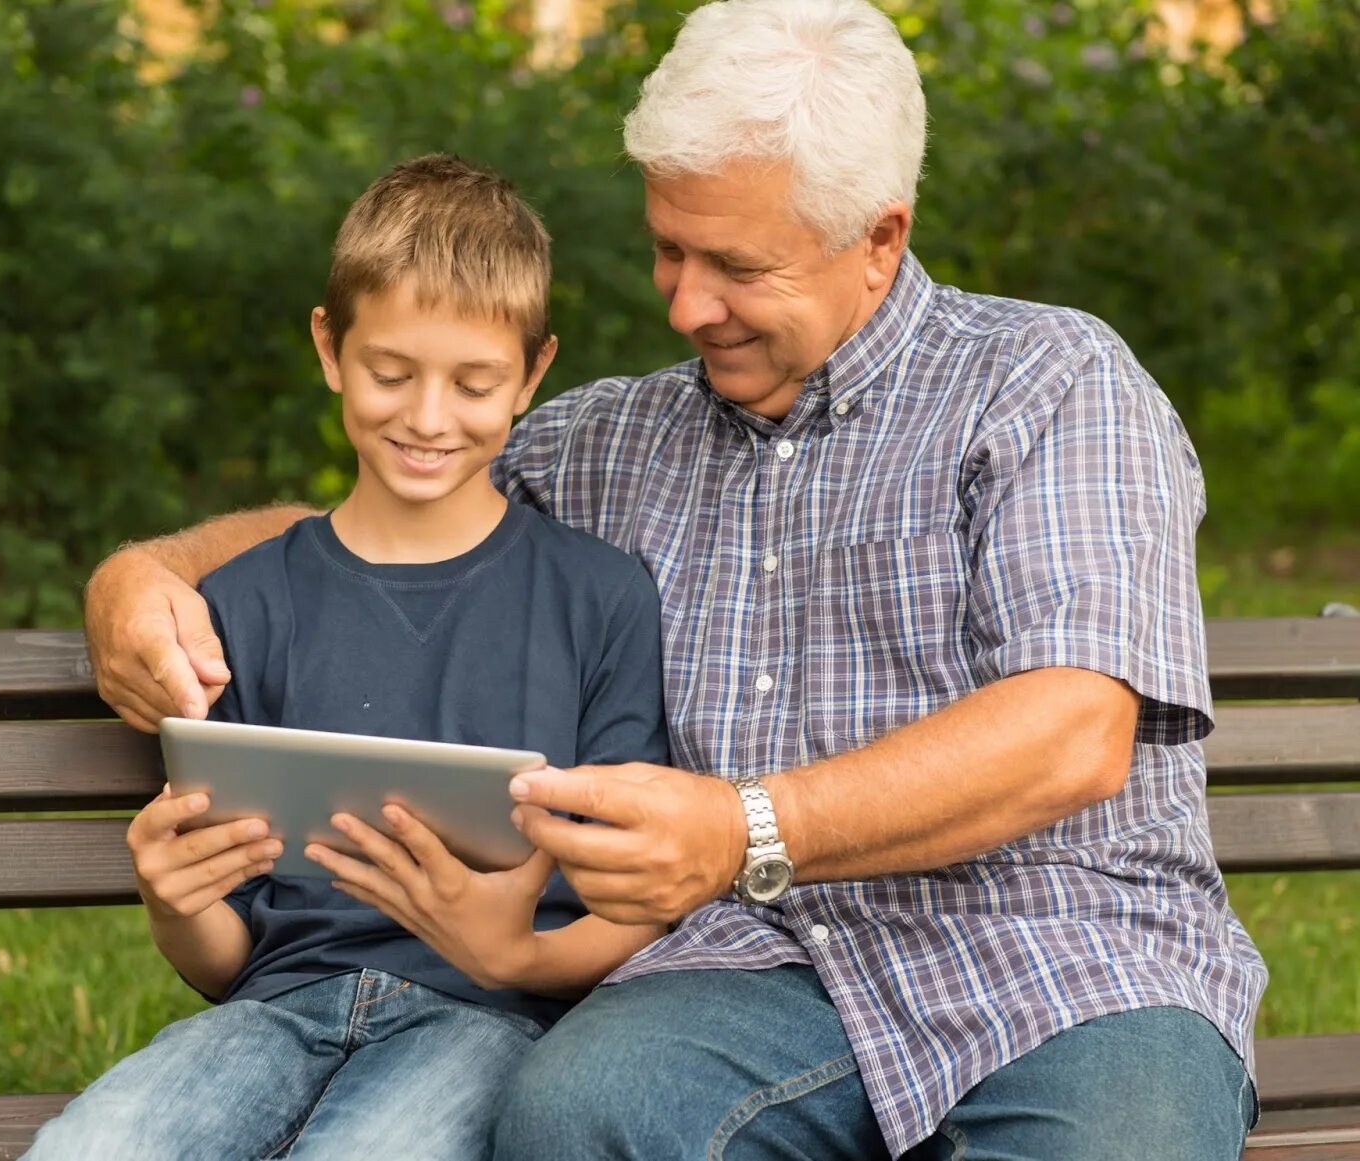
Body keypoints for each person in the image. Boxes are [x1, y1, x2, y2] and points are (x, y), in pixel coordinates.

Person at [82, 1, 1267, 1157]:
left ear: (880, 239)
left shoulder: (1047, 382)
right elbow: (377, 517)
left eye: (737, 266)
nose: (685, 304)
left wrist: (746, 826)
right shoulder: (612, 440)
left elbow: (1074, 731)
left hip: (1061, 960)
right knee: (578, 1114)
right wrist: (144, 576)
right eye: (668, 248)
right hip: (744, 973)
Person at [25, 154, 668, 1161]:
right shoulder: (243, 604)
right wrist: (173, 900)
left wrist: (524, 952)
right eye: (391, 371)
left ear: (534, 372)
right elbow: (226, 956)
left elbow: (631, 898)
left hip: (487, 1022)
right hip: (274, 1013)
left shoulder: (600, 599)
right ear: (330, 348)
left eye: (473, 382)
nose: (425, 417)